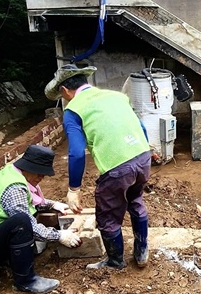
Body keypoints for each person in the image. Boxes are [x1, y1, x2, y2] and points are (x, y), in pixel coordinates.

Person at [44, 64, 152, 270]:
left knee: (108, 215)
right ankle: (141, 252)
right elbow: (142, 127)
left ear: (65, 90)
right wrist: (144, 152)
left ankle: (115, 261)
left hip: (118, 166)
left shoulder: (73, 110)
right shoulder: (116, 97)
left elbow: (76, 152)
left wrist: (73, 189)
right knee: (135, 200)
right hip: (142, 156)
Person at [0, 145, 81, 294]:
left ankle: (9, 262)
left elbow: (28, 202)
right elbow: (30, 225)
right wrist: (60, 235)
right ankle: (25, 281)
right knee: (21, 222)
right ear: (28, 167)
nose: (41, 178)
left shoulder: (13, 173)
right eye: (39, 173)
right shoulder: (14, 187)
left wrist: (53, 204)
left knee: (23, 216)